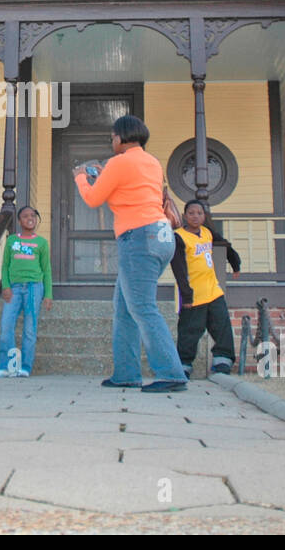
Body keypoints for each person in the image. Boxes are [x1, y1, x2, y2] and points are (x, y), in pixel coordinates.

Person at [74, 115, 188, 392]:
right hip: (162, 237)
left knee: (142, 307)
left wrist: (80, 176)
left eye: (112, 137)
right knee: (125, 308)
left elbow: (93, 199)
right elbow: (128, 190)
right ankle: (126, 373)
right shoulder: (151, 161)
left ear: (121, 137)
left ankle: (172, 374)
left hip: (138, 238)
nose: (111, 141)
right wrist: (103, 175)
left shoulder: (119, 162)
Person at [170, 199, 241, 377]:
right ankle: (184, 364)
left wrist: (235, 263)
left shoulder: (207, 233)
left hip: (213, 290)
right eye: (191, 213)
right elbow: (178, 268)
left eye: (199, 213)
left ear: (204, 216)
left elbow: (225, 244)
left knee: (222, 326)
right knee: (190, 331)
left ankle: (223, 361)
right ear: (185, 216)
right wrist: (186, 295)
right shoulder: (179, 237)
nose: (195, 216)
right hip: (193, 293)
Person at [0, 205, 52, 377]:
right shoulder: (12, 241)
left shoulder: (41, 243)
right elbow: (5, 266)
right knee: (6, 325)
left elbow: (46, 269)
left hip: (34, 287)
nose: (29, 218)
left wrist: (48, 294)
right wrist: (6, 286)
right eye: (25, 216)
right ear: (19, 221)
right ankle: (5, 366)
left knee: (30, 328)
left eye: (32, 215)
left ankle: (25, 366)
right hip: (15, 288)